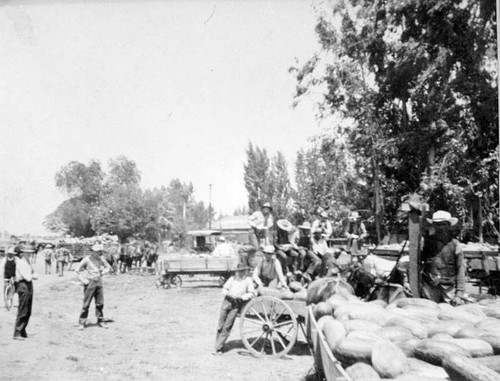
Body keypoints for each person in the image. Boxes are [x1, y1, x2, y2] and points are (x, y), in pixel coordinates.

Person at [421, 210, 466, 306]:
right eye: (437, 225)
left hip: (449, 289)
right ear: (433, 225)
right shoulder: (426, 243)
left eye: (443, 224)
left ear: (449, 226)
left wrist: (459, 294)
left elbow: (460, 269)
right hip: (429, 287)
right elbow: (417, 263)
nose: (440, 228)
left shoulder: (455, 245)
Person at [213, 263, 255, 355]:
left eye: (243, 271)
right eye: (239, 271)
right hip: (227, 301)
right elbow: (224, 289)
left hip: (236, 303)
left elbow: (252, 293)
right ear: (237, 271)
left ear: (246, 271)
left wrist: (242, 297)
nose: (241, 273)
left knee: (227, 326)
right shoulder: (232, 279)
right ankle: (218, 344)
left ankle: (218, 348)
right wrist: (229, 294)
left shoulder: (248, 280)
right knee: (221, 324)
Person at [75, 243, 112, 330]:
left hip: (98, 281)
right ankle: (82, 322)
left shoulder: (101, 259)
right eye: (94, 252)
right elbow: (77, 270)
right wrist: (83, 280)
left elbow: (108, 267)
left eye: (98, 252)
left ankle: (100, 321)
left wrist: (102, 273)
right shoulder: (87, 259)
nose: (96, 254)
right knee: (86, 304)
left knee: (100, 303)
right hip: (90, 282)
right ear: (92, 251)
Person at [12, 247, 37, 340]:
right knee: (23, 309)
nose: (29, 254)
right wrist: (32, 275)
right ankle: (17, 332)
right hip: (23, 285)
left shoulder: (28, 262)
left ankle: (22, 330)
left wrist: (32, 275)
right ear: (23, 253)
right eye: (27, 253)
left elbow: (35, 274)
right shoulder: (20, 263)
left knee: (28, 310)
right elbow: (28, 277)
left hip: (29, 285)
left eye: (30, 253)